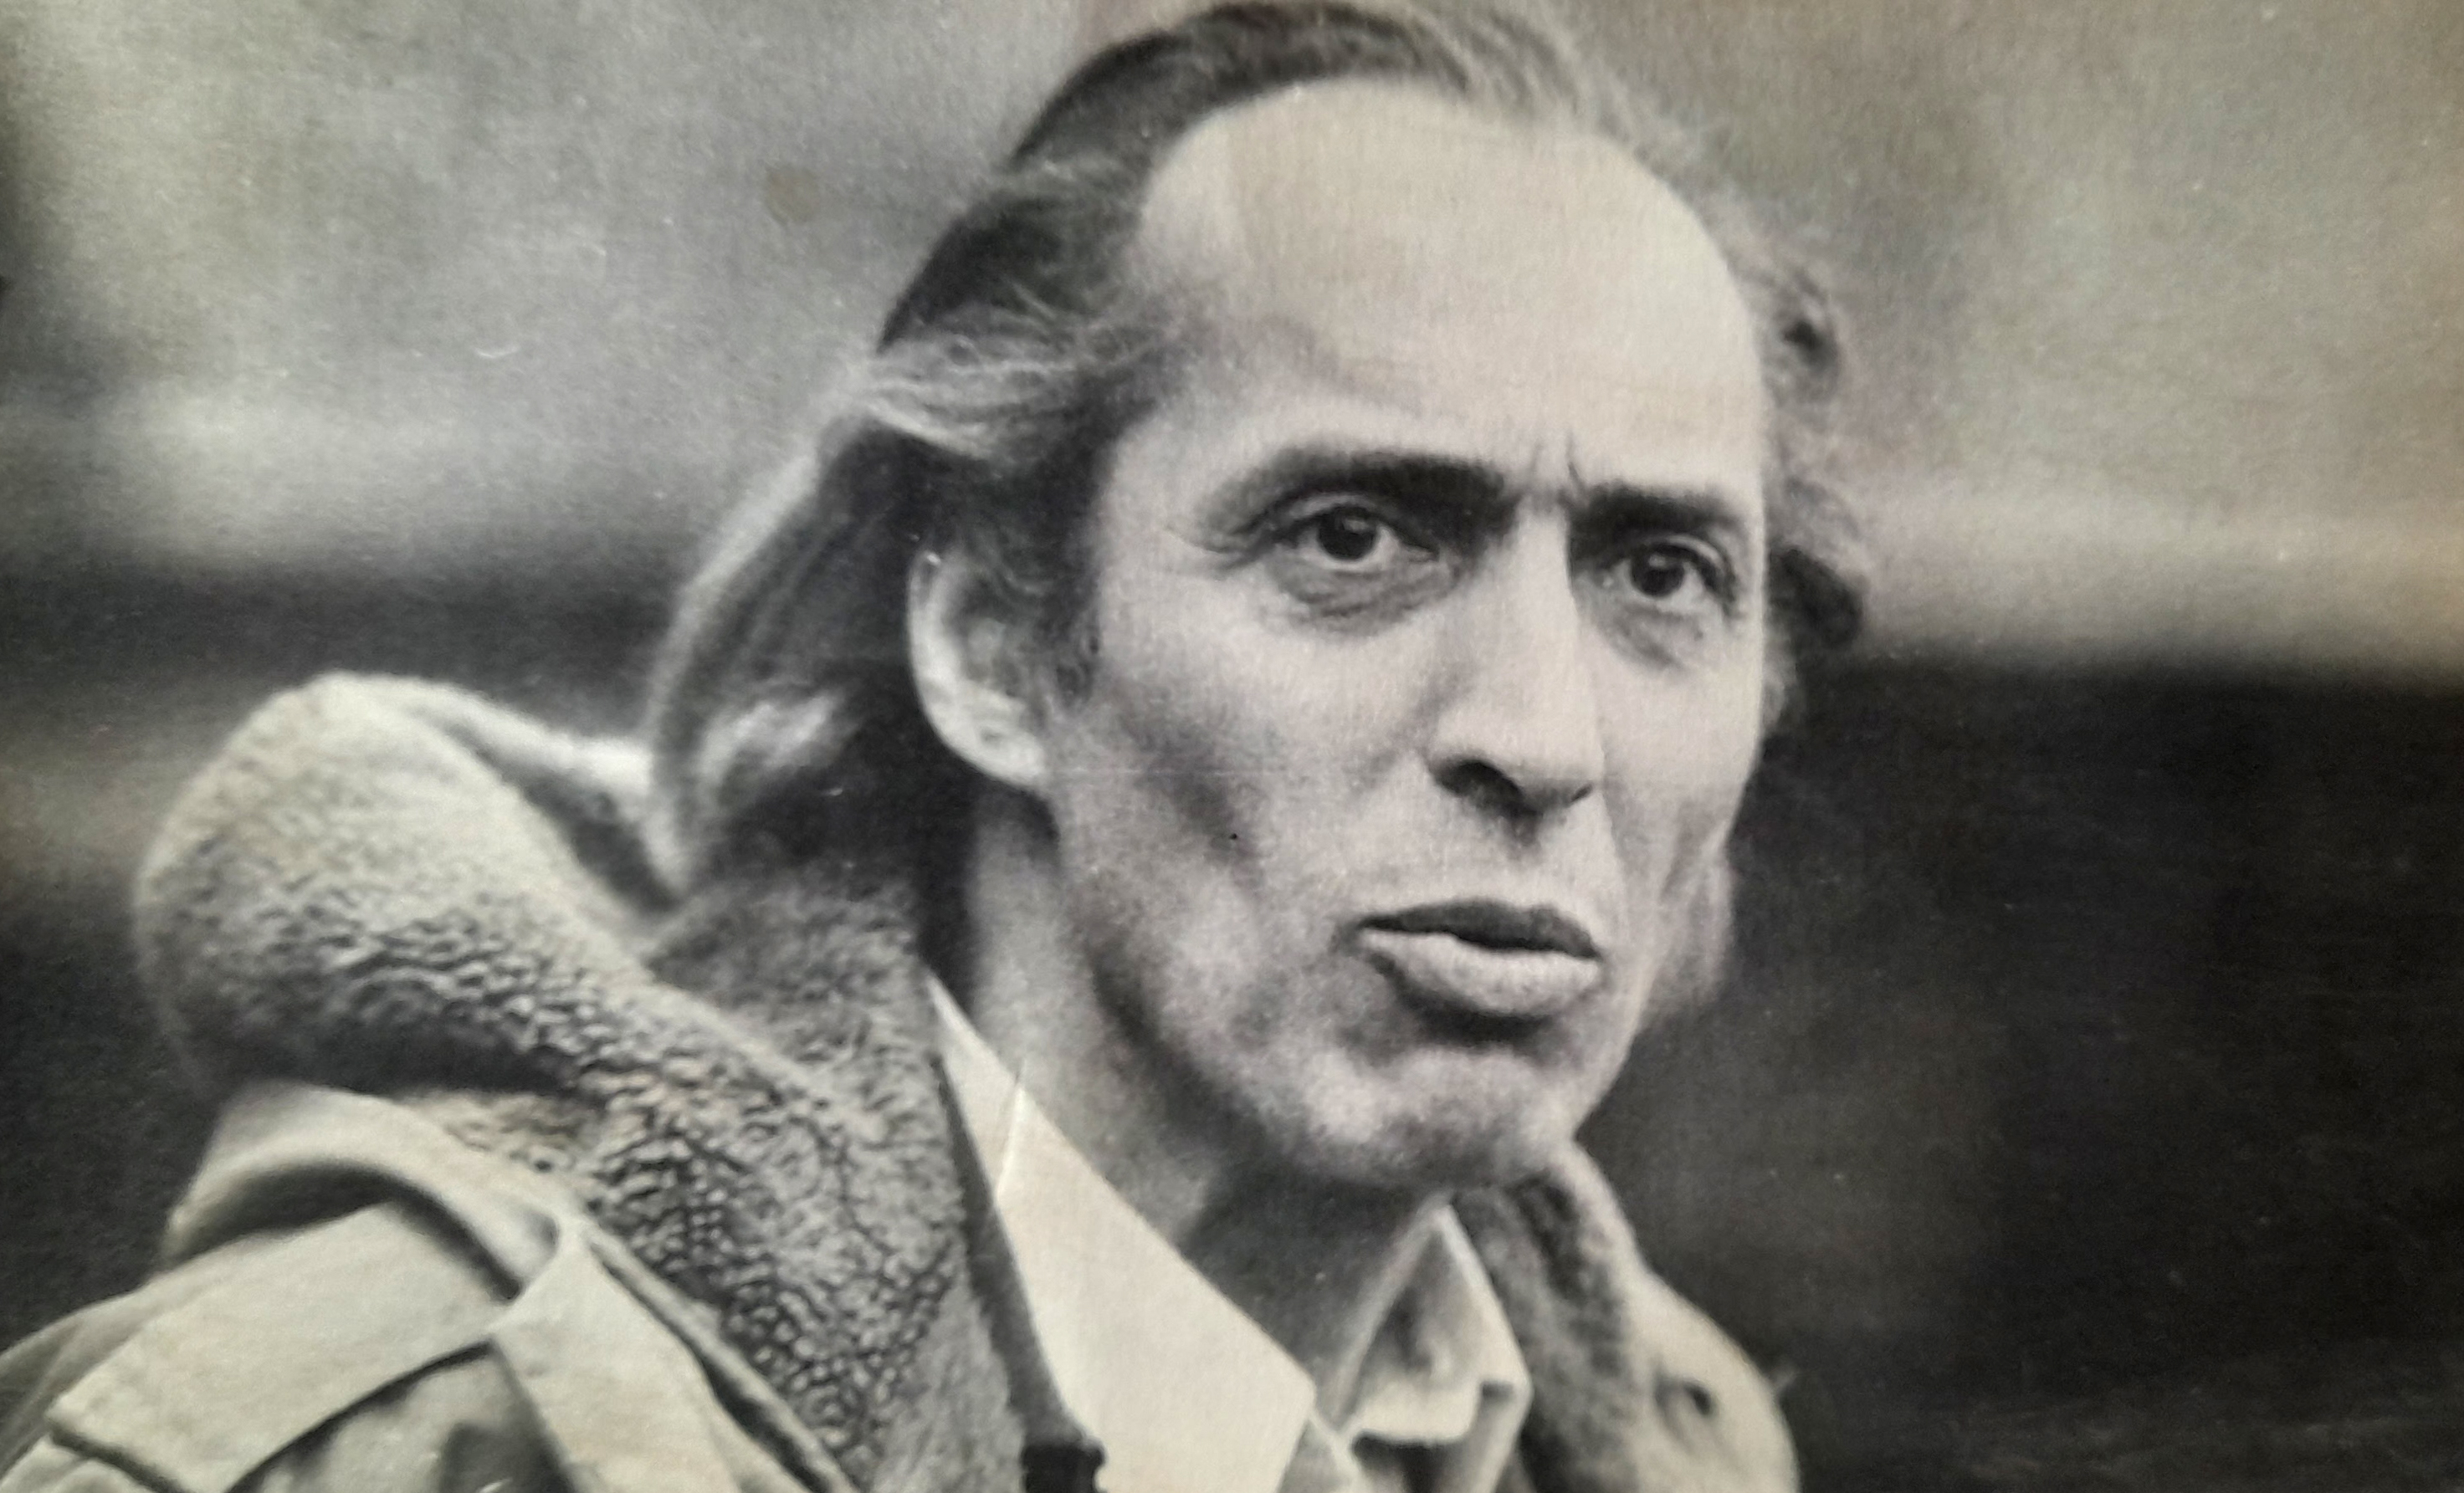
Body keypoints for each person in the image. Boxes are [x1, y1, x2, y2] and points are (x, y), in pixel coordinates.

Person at [0, 3, 1863, 1490]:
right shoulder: (413, 1440)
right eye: (1353, 537)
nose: (1542, 734)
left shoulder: (1671, 1442)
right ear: (989, 650)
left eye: (1660, 572)